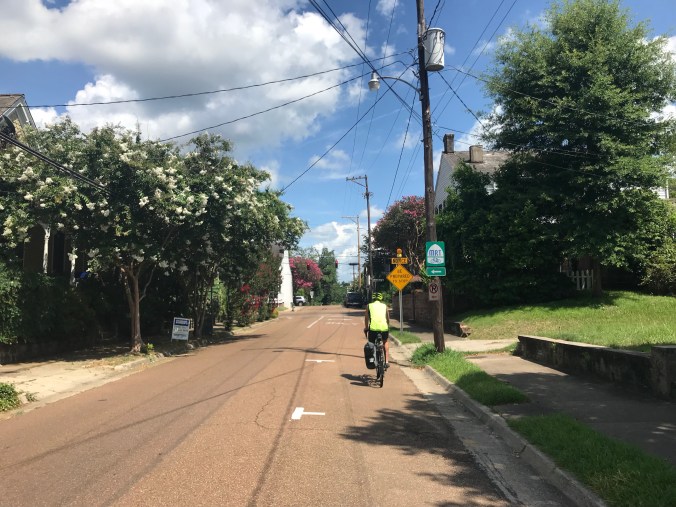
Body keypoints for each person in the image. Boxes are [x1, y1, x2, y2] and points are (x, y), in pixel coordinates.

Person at [364, 292, 390, 368]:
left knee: (371, 343)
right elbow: (387, 318)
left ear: (373, 298)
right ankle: (387, 361)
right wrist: (387, 326)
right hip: (384, 328)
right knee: (385, 341)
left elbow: (366, 318)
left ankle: (373, 359)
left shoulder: (369, 306)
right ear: (381, 298)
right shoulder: (385, 306)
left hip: (373, 329)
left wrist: (366, 327)